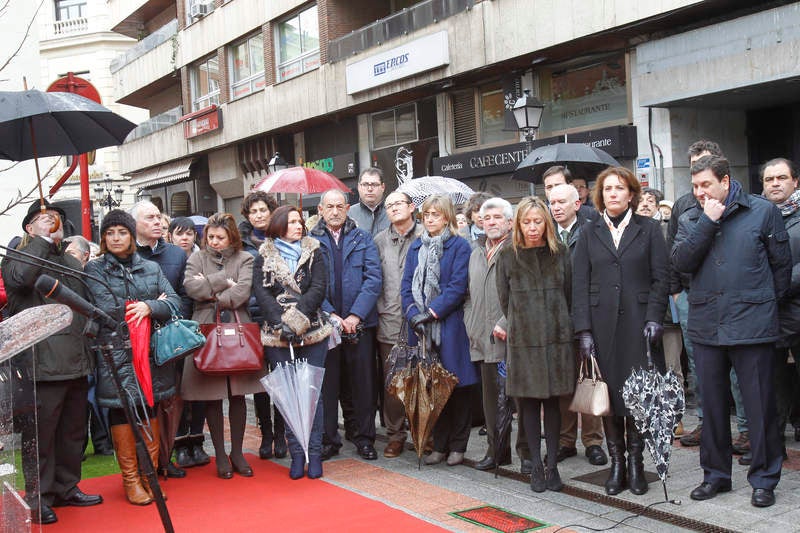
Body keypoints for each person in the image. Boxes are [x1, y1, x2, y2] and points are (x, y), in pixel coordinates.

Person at [673, 156, 790, 508]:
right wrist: (707, 222)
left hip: (752, 326)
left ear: (725, 180)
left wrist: (763, 303)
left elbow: (780, 268)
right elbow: (681, 263)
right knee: (710, 406)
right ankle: (716, 476)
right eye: (694, 186)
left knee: (759, 407)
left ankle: (764, 478)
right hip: (707, 326)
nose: (699, 192)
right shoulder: (691, 217)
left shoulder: (761, 211)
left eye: (705, 184)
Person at [2, 201, 102, 524]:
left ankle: (67, 485)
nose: (51, 223)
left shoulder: (68, 259)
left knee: (74, 430)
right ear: (30, 228)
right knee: (41, 435)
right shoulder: (19, 256)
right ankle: (39, 495)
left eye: (55, 219)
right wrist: (42, 242)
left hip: (76, 357)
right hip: (42, 363)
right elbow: (20, 281)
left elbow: (83, 299)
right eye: (43, 220)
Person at [572, 166, 669, 497]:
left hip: (640, 325)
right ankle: (616, 464)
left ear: (631, 193)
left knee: (637, 396)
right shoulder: (589, 232)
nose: (612, 193)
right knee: (610, 396)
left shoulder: (650, 229)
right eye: (607, 188)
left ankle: (637, 463)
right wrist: (583, 330)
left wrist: (656, 316)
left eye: (619, 188)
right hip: (601, 327)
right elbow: (580, 284)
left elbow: (661, 277)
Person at [84, 209, 180, 507]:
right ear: (103, 238)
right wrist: (145, 305)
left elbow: (174, 302)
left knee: (149, 407)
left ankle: (148, 475)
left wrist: (150, 307)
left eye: (121, 232)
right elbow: (105, 308)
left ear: (130, 235)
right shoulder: (95, 269)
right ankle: (131, 480)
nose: (115, 238)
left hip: (148, 353)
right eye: (110, 233)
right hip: (115, 352)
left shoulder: (150, 268)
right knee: (122, 409)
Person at [667, 141, 749, 452]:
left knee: (737, 368)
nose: (699, 179)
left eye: (705, 169)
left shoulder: (740, 203)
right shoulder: (684, 207)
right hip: (692, 296)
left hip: (730, 298)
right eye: (693, 170)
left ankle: (746, 428)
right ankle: (706, 421)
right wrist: (676, 293)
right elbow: (673, 252)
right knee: (701, 367)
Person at [496, 196, 575, 492]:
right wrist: (522, 323)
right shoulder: (508, 255)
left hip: (556, 339)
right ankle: (535, 467)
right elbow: (505, 300)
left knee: (553, 404)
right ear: (518, 224)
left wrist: (560, 325)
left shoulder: (561, 252)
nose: (532, 228)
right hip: (524, 341)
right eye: (527, 222)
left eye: (538, 221)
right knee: (528, 404)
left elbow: (568, 294)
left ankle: (553, 464)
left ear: (547, 223)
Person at [181, 213, 264, 479]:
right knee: (212, 397)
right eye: (210, 237)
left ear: (231, 237)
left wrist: (211, 291)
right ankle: (220, 454)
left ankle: (237, 453)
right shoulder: (196, 258)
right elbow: (190, 289)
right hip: (205, 329)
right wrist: (221, 281)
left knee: (238, 395)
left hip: (238, 329)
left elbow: (242, 293)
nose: (214, 242)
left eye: (220, 237)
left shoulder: (246, 258)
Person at [253, 205, 331, 479]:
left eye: (300, 221)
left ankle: (316, 453)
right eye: (293, 222)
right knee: (288, 396)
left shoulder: (314, 250)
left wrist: (296, 321)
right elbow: (262, 295)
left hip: (312, 332)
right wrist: (280, 324)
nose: (299, 226)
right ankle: (297, 454)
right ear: (279, 225)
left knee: (312, 394)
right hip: (277, 336)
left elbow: (319, 288)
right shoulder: (263, 255)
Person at [401, 194, 479, 466]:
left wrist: (431, 312)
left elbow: (458, 286)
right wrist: (413, 313)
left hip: (449, 326)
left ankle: (458, 445)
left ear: (446, 217)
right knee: (431, 388)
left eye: (436, 214)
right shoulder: (414, 249)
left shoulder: (459, 246)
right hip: (421, 329)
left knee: (455, 386)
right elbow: (406, 286)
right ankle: (440, 444)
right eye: (426, 215)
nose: (430, 219)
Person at [309, 189, 382, 461]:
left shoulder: (363, 238)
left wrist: (355, 315)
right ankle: (329, 439)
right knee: (328, 385)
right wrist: (331, 314)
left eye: (340, 206)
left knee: (364, 385)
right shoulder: (311, 240)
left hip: (360, 325)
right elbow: (309, 282)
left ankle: (364, 438)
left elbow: (373, 279)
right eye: (330, 206)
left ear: (348, 208)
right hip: (326, 325)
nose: (335, 211)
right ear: (320, 209)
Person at [465, 197, 532, 473]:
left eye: (496, 218)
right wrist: (470, 323)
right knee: (491, 402)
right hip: (483, 338)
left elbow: (525, 294)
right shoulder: (476, 252)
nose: (490, 222)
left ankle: (527, 455)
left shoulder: (518, 250)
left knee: (521, 401)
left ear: (509, 221)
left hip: (513, 339)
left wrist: (507, 321)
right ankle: (497, 451)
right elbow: (469, 294)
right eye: (486, 218)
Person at [548, 184, 607, 467]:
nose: (556, 207)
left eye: (561, 202)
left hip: (585, 319)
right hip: (556, 321)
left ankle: (594, 442)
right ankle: (565, 441)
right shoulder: (547, 234)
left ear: (577, 204)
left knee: (589, 380)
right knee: (563, 386)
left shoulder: (591, 230)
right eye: (552, 202)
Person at [130, 201, 191, 480]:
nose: (157, 222)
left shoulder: (177, 255)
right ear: (135, 224)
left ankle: (166, 457)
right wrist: (156, 304)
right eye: (149, 217)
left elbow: (181, 296)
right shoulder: (127, 255)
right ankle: (146, 465)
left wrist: (170, 313)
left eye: (159, 217)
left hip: (169, 337)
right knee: (143, 402)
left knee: (170, 400)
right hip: (136, 339)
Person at [374, 191, 423, 458]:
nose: (393, 209)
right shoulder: (380, 240)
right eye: (389, 205)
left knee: (421, 379)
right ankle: (395, 435)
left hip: (423, 321)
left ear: (411, 207)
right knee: (393, 382)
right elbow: (373, 278)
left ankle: (422, 431)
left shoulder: (426, 234)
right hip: (390, 320)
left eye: (398, 204)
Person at [239, 191, 286, 461]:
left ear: (271, 212)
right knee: (260, 381)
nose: (258, 215)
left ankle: (280, 434)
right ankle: (265, 434)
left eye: (263, 210)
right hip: (252, 317)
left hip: (278, 316)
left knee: (279, 376)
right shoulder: (241, 243)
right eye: (253, 211)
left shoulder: (282, 239)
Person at [762, 158, 800, 455]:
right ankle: (773, 445)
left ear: (795, 181)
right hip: (771, 314)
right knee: (772, 383)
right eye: (769, 179)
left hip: (796, 305)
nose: (775, 183)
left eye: (781, 178)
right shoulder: (757, 216)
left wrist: (781, 283)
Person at [348, 167, 389, 236]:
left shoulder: (393, 211)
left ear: (383, 187)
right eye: (365, 184)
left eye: (374, 184)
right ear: (358, 187)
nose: (370, 189)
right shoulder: (348, 214)